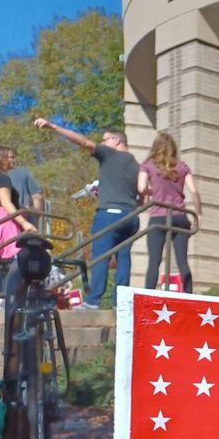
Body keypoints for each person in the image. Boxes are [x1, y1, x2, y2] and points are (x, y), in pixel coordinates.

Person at [34, 117, 139, 308]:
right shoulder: (136, 164)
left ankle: (93, 300)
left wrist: (54, 126)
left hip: (109, 215)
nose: (102, 143)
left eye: (105, 139)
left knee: (100, 256)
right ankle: (121, 303)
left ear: (116, 140)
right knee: (123, 258)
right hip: (130, 216)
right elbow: (141, 192)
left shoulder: (109, 154)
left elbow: (83, 142)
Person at [139, 132, 201, 293]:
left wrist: (152, 192)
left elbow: (141, 187)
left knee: (154, 261)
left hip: (159, 216)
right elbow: (194, 191)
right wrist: (198, 214)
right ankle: (189, 296)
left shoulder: (148, 165)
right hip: (180, 215)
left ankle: (148, 296)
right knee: (182, 260)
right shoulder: (182, 166)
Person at [0, 145, 37, 307]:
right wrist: (25, 223)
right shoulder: (2, 178)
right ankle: (9, 300)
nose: (13, 160)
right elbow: (5, 203)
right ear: (1, 159)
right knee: (13, 263)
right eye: (10, 157)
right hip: (4, 222)